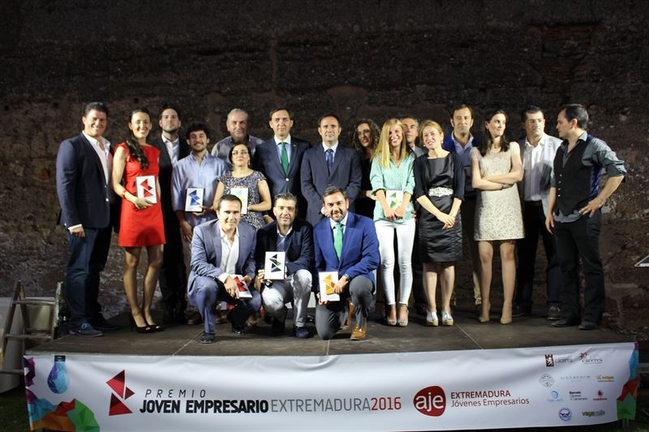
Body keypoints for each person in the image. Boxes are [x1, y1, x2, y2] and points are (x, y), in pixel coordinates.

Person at [547, 104, 626, 330]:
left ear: (573, 123)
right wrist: (550, 212)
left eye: (560, 122)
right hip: (561, 217)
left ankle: (592, 316)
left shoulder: (595, 146)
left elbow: (618, 170)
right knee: (566, 267)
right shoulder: (561, 148)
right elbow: (555, 181)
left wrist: (599, 200)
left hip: (584, 216)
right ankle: (570, 313)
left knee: (591, 267)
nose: (557, 126)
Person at [56, 101, 117, 336]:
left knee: (94, 270)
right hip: (81, 223)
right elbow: (65, 186)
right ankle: (77, 321)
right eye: (93, 119)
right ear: (84, 119)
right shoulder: (71, 146)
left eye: (102, 120)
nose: (98, 123)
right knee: (79, 271)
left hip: (103, 220)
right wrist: (72, 221)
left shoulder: (108, 147)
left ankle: (92, 315)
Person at [112, 107, 166, 333]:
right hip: (132, 209)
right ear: (130, 125)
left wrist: (158, 200)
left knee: (156, 260)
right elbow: (116, 184)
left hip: (153, 210)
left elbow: (156, 180)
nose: (142, 126)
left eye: (145, 122)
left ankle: (147, 309)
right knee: (132, 263)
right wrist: (133, 198)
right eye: (137, 122)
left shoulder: (154, 151)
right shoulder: (123, 150)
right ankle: (135, 312)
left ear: (151, 125)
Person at [470, 109, 523, 325]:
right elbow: (476, 182)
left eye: (503, 121)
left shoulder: (513, 147)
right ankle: (485, 304)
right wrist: (504, 181)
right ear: (487, 124)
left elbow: (518, 174)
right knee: (484, 256)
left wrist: (491, 177)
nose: (500, 125)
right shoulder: (476, 152)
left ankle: (507, 305)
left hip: (509, 205)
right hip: (487, 205)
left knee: (508, 254)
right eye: (496, 121)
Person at [187, 194, 262, 344]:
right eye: (227, 212)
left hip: (236, 282)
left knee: (255, 300)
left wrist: (249, 275)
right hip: (209, 280)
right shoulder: (202, 231)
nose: (231, 217)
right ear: (218, 213)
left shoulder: (250, 232)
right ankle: (209, 331)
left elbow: (251, 259)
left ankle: (236, 320)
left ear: (241, 213)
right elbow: (197, 263)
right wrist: (224, 277)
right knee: (208, 287)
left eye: (236, 212)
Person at [514, 106, 563, 320]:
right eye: (532, 121)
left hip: (549, 209)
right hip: (525, 209)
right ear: (524, 124)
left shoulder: (557, 145)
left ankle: (555, 304)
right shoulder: (516, 148)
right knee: (525, 259)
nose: (536, 125)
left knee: (556, 257)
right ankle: (523, 304)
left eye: (540, 120)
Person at [414, 120, 464, 327]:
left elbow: (460, 190)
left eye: (433, 134)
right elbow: (419, 193)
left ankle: (446, 308)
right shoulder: (419, 162)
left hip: (451, 214)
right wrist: (439, 215)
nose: (429, 138)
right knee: (429, 263)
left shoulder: (455, 159)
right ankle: (432, 309)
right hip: (429, 216)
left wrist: (450, 214)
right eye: (425, 135)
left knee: (449, 263)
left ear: (442, 136)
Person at [313, 186, 380, 341]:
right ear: (324, 207)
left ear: (347, 203)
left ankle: (361, 324)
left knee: (360, 288)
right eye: (330, 205)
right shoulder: (318, 229)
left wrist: (347, 276)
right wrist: (320, 289)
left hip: (357, 277)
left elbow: (372, 258)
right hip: (332, 284)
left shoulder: (365, 223)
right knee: (325, 333)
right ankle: (345, 309)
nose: (335, 208)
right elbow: (318, 265)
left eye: (339, 203)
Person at [370, 119, 416, 327]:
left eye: (397, 132)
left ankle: (403, 304)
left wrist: (402, 207)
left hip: (405, 215)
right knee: (387, 262)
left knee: (405, 262)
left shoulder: (411, 158)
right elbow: (376, 183)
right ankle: (390, 304)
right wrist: (386, 207)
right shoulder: (379, 158)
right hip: (383, 215)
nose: (393, 136)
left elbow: (411, 183)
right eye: (389, 133)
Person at [150, 104, 191, 325]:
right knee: (166, 260)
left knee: (183, 261)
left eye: (174, 116)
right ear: (160, 122)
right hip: (162, 211)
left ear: (179, 122)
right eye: (165, 116)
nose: (170, 120)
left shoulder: (189, 147)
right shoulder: (152, 147)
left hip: (188, 211)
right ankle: (168, 306)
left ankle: (182, 306)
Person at [254, 193, 314, 338]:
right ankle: (279, 318)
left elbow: (307, 258)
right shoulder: (264, 232)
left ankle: (299, 324)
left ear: (296, 212)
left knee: (305, 275)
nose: (285, 212)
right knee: (270, 301)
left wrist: (285, 269)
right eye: (281, 208)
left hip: (295, 277)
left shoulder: (305, 228)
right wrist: (263, 273)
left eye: (290, 208)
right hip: (275, 281)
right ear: (274, 211)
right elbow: (259, 261)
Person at [442, 104, 482, 309]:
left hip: (476, 202)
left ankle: (480, 299)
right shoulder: (443, 144)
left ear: (472, 121)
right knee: (451, 252)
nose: (462, 121)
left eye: (466, 118)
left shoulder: (482, 144)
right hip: (451, 205)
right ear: (452, 121)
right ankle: (451, 299)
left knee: (478, 252)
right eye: (458, 118)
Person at [301, 114, 362, 226]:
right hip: (318, 213)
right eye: (326, 126)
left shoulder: (351, 154)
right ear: (319, 130)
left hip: (344, 213)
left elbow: (355, 183)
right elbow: (306, 184)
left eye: (333, 126)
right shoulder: (309, 155)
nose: (329, 129)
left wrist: (339, 205)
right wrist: (323, 206)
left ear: (339, 130)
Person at [252, 108, 310, 219]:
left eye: (285, 119)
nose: (281, 123)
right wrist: (264, 213)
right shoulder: (262, 149)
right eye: (277, 120)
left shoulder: (304, 146)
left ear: (291, 123)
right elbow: (258, 181)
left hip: (300, 208)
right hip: (274, 210)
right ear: (271, 124)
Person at [172, 122, 228, 236]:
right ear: (188, 141)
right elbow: (176, 196)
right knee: (191, 254)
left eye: (201, 136)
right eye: (193, 137)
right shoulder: (179, 166)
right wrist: (183, 222)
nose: (197, 140)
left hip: (216, 223)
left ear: (208, 140)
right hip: (190, 224)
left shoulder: (220, 165)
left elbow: (226, 193)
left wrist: (212, 208)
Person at [212, 143, 272, 230]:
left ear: (249, 157)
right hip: (230, 223)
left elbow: (267, 204)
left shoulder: (258, 176)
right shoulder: (224, 179)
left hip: (254, 225)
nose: (239, 155)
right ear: (231, 158)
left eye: (243, 152)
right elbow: (215, 204)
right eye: (235, 153)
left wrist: (248, 207)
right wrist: (230, 206)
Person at [350, 119, 380, 219]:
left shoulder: (385, 156)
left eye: (366, 131)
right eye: (359, 133)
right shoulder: (355, 158)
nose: (363, 136)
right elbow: (351, 187)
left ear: (374, 133)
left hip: (382, 204)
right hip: (361, 207)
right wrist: (367, 193)